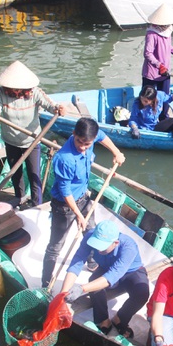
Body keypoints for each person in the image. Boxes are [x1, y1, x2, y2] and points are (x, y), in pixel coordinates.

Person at [41, 118, 126, 289]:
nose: (83, 147)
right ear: (73, 134)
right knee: (56, 245)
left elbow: (102, 136)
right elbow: (65, 191)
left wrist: (116, 152)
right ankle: (45, 282)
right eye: (79, 142)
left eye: (87, 144)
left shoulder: (92, 138)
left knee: (91, 230)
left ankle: (92, 261)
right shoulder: (65, 158)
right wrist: (79, 215)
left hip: (83, 198)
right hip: (64, 206)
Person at [0, 61, 65, 208]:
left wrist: (58, 108)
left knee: (34, 174)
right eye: (12, 88)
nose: (15, 91)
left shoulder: (34, 93)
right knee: (15, 173)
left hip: (32, 141)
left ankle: (37, 205)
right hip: (11, 140)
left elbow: (50, 104)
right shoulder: (2, 92)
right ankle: (19, 198)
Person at [60, 220, 150, 339]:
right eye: (96, 245)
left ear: (115, 243)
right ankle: (103, 319)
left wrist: (81, 289)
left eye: (102, 248)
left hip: (130, 272)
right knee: (94, 283)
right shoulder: (89, 236)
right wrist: (63, 294)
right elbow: (77, 263)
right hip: (106, 268)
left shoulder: (129, 246)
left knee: (142, 294)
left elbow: (112, 275)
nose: (98, 250)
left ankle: (120, 318)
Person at [142, 3, 173, 120]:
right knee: (147, 98)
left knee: (165, 97)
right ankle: (146, 118)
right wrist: (158, 65)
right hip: (152, 73)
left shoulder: (167, 31)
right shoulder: (152, 34)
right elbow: (148, 53)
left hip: (165, 72)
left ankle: (163, 118)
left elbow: (168, 46)